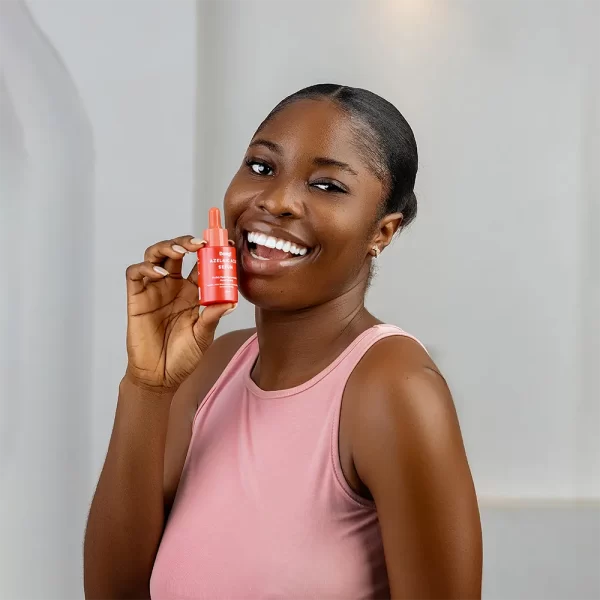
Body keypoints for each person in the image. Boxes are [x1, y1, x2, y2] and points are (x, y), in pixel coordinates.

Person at [84, 84, 482, 599]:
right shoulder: (216, 365)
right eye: (262, 167)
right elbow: (115, 593)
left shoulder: (394, 388)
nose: (274, 200)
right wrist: (146, 386)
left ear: (381, 232)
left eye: (327, 185)